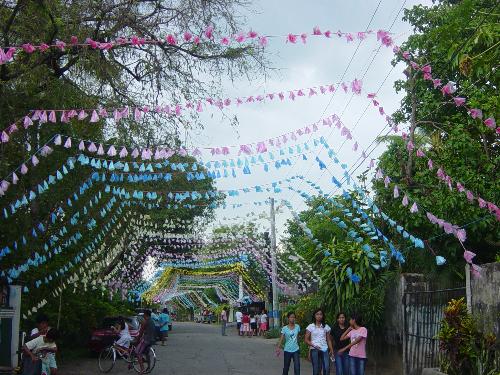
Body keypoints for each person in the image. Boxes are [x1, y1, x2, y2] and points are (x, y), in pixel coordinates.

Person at [305, 308, 333, 375]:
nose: (319, 316)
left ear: (323, 316)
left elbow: (328, 339)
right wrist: (313, 345)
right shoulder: (310, 326)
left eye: (320, 314)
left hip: (324, 349)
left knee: (327, 368)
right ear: (314, 316)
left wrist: (331, 349)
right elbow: (306, 339)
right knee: (316, 369)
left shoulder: (326, 327)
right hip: (314, 349)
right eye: (317, 314)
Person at [136, 310, 156, 374]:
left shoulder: (145, 321)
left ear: (145, 315)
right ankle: (149, 367)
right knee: (147, 354)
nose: (143, 316)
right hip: (151, 340)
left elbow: (141, 332)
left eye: (144, 315)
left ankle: (142, 369)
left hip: (146, 340)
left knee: (137, 352)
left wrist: (137, 339)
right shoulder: (152, 321)